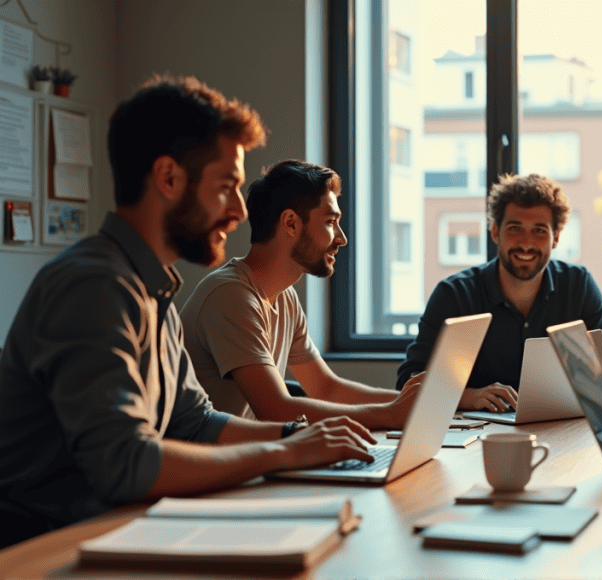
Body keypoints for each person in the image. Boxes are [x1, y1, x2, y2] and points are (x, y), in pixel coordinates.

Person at [0, 75, 375, 549]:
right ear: (169, 177)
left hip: (121, 531)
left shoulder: (154, 290)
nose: (239, 210)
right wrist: (281, 452)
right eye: (226, 186)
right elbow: (125, 464)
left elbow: (195, 422)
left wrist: (296, 438)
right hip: (47, 546)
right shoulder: (93, 285)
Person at [180, 160, 423, 429]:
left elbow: (326, 388)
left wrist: (414, 404)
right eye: (331, 222)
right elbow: (276, 409)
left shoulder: (284, 297)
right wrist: (391, 415)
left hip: (250, 458)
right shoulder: (231, 295)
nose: (341, 238)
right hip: (216, 465)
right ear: (291, 223)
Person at [396, 173, 602, 412]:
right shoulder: (454, 294)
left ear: (555, 238)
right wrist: (469, 397)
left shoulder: (578, 286)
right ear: (495, 232)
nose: (526, 243)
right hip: (477, 436)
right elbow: (409, 379)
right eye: (515, 228)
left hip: (563, 431)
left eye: (539, 231)